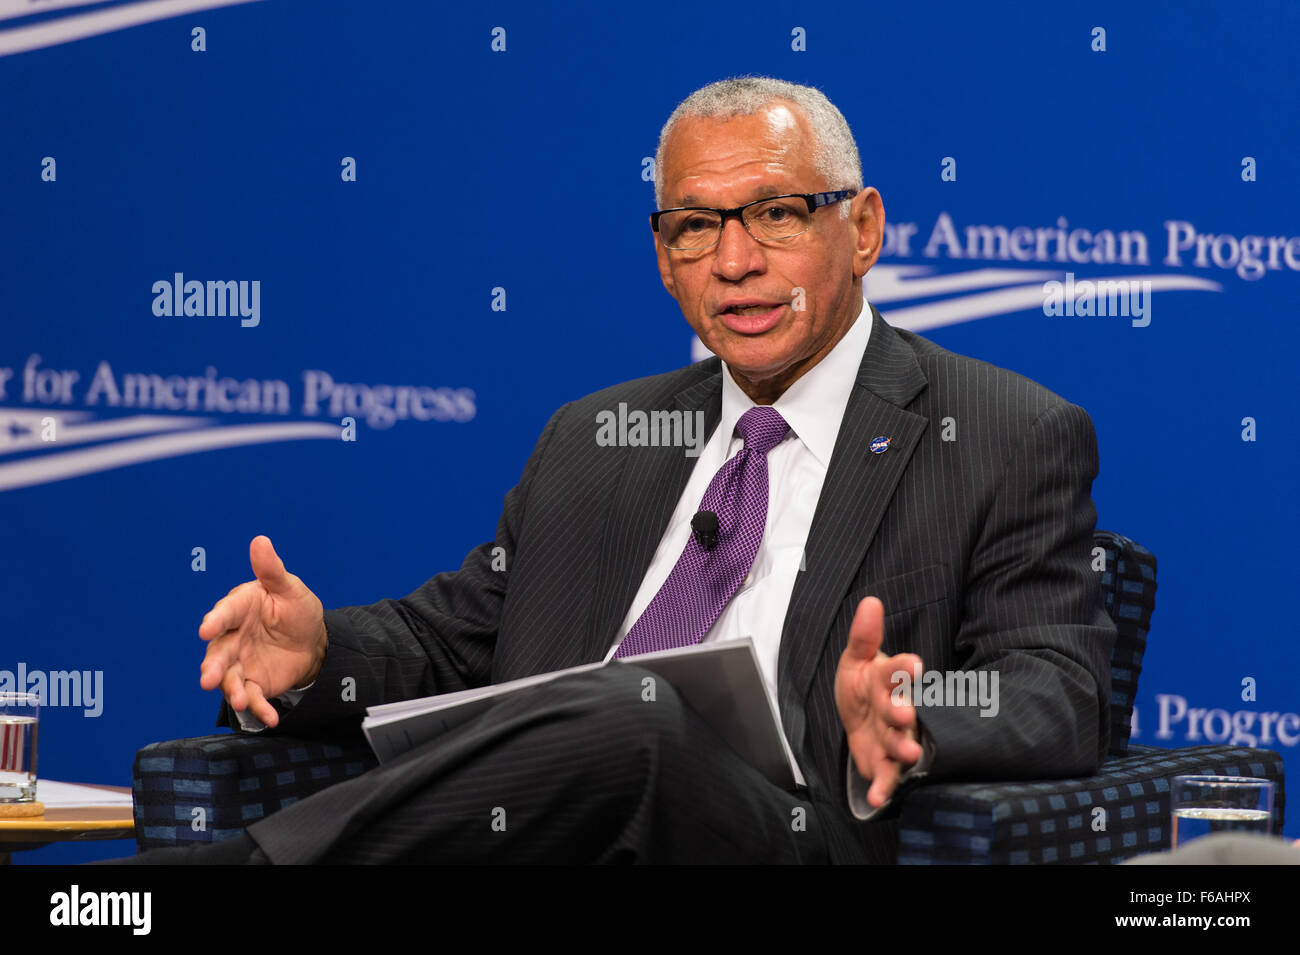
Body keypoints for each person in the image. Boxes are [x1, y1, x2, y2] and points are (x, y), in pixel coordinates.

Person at [110, 76, 1116, 865]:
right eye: (694, 226)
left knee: (629, 706)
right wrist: (323, 648)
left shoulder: (1001, 431)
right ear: (662, 256)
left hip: (793, 840)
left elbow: (1059, 689)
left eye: (775, 213)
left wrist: (908, 712)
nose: (733, 260)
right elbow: (449, 641)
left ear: (860, 229)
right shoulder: (598, 437)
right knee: (602, 717)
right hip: (540, 839)